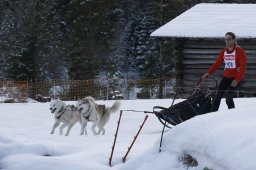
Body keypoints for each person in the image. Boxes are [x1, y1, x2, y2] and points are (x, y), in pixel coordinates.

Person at [201, 32, 247, 112]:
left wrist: (237, 80)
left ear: (233, 40)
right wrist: (208, 73)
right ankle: (213, 114)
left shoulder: (239, 51)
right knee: (217, 97)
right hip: (226, 77)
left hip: (236, 78)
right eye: (225, 39)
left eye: (229, 39)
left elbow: (243, 67)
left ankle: (232, 114)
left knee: (228, 98)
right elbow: (217, 64)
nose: (227, 41)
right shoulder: (224, 52)